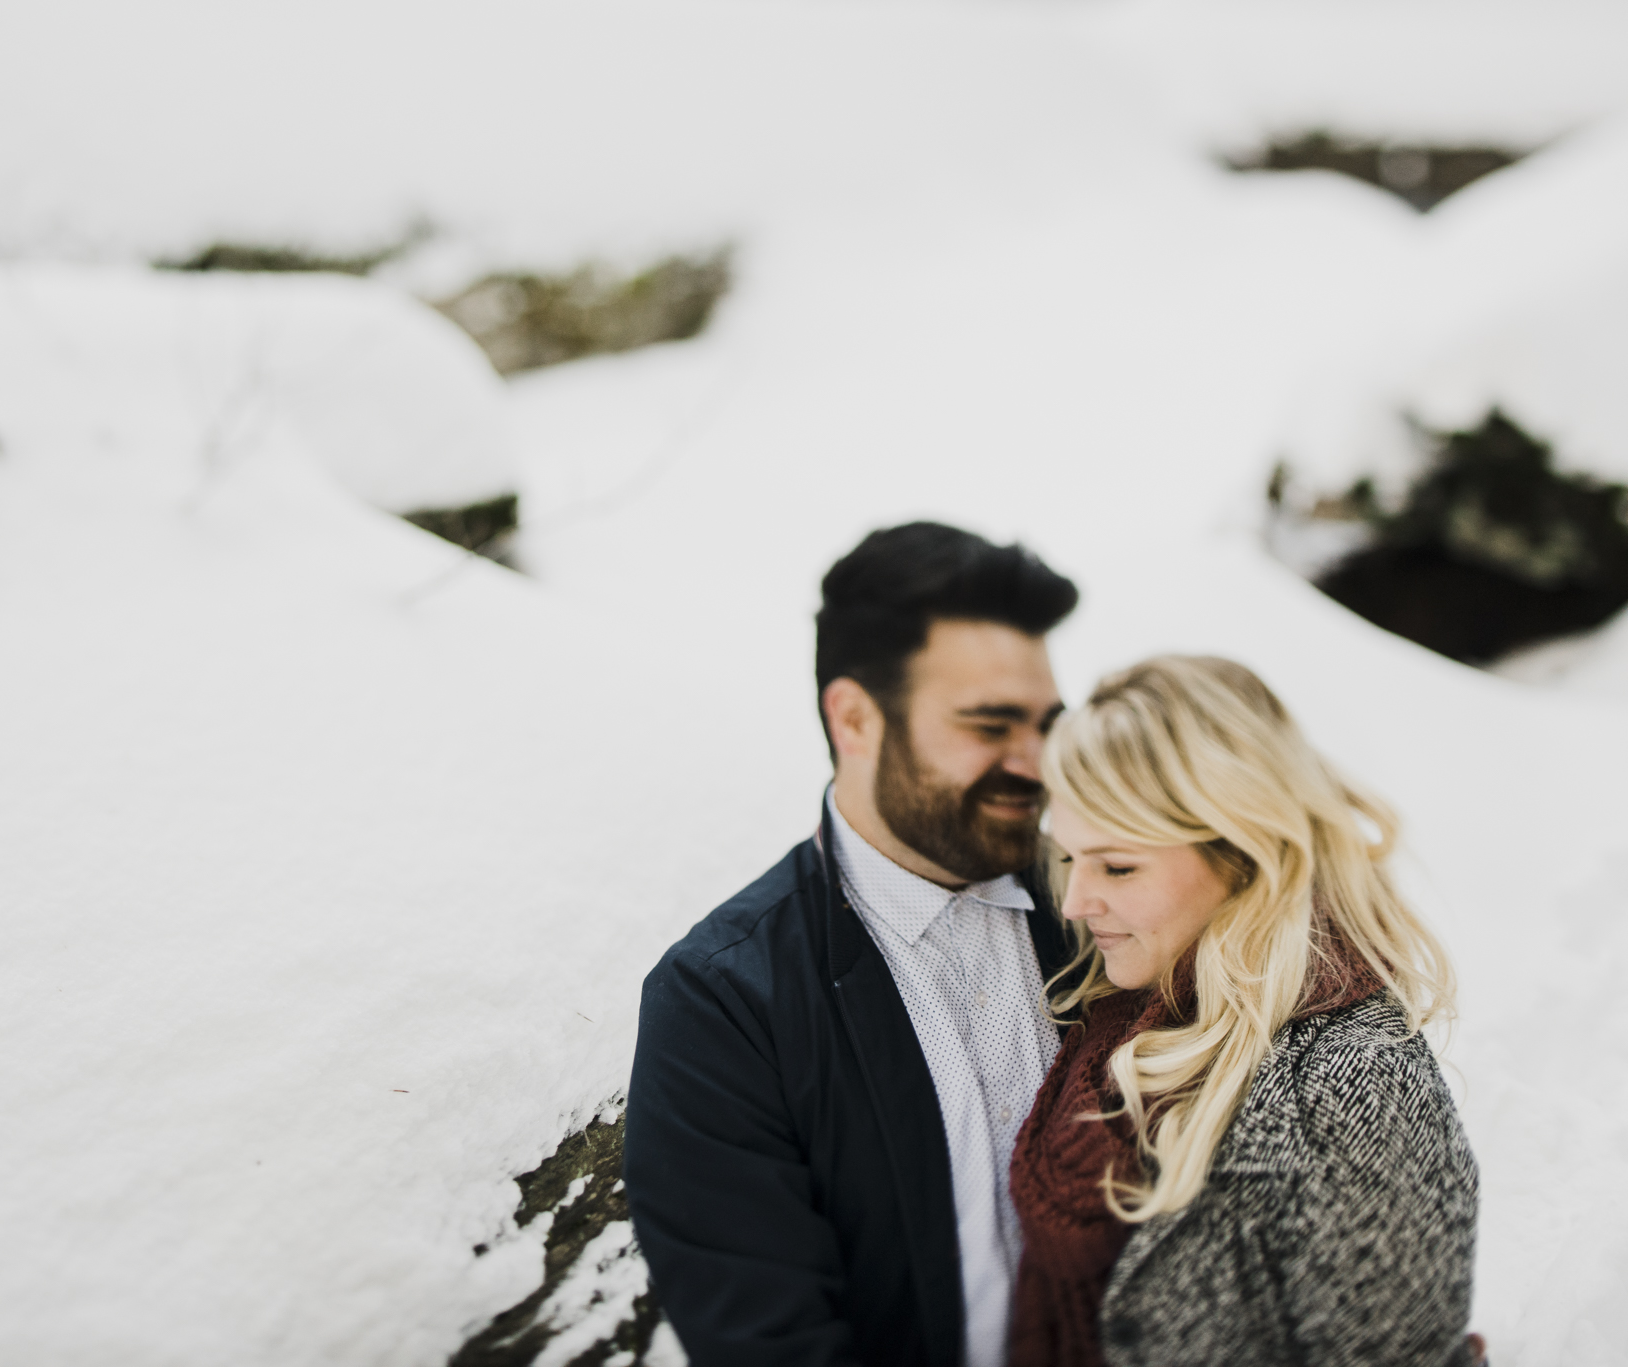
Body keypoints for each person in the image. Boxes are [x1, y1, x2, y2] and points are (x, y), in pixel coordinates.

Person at [626, 522, 1081, 1367]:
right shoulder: (725, 1004)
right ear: (856, 716)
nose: (1036, 763)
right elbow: (770, 1342)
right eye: (990, 725)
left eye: (1045, 724)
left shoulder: (1106, 907)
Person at [1009, 656, 1478, 1367]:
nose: (1074, 902)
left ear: (1242, 854)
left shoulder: (1354, 1087)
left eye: (1118, 865)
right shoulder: (1120, 1018)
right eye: (1070, 858)